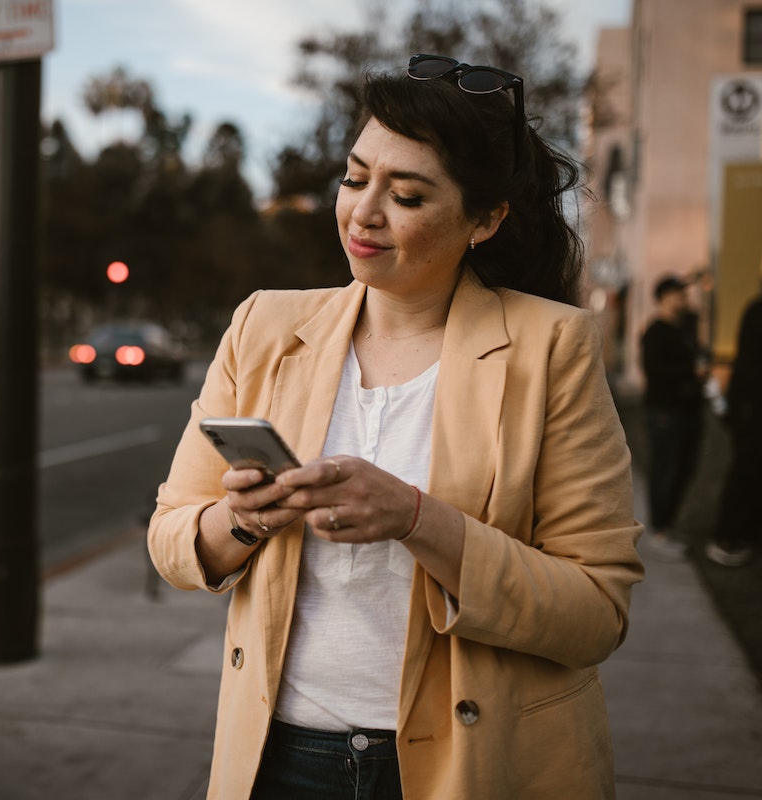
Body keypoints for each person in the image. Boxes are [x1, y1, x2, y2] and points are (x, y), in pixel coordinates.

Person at [148, 54, 643, 800]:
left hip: (472, 766)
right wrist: (242, 520)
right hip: (280, 760)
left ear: (486, 219)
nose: (363, 213)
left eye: (406, 194)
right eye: (355, 178)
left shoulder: (552, 348)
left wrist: (418, 520)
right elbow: (172, 539)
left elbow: (596, 613)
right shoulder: (263, 327)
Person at [639, 275, 707, 560]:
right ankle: (659, 530)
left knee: (684, 468)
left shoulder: (684, 328)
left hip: (689, 409)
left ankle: (668, 525)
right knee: (666, 468)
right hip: (665, 411)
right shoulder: (656, 331)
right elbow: (654, 370)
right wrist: (690, 373)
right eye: (679, 294)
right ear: (664, 297)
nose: (684, 298)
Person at [706, 288, 762, 566]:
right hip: (751, 411)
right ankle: (726, 536)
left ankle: (746, 534)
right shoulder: (756, 311)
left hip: (748, 408)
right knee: (745, 471)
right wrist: (742, 409)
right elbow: (749, 367)